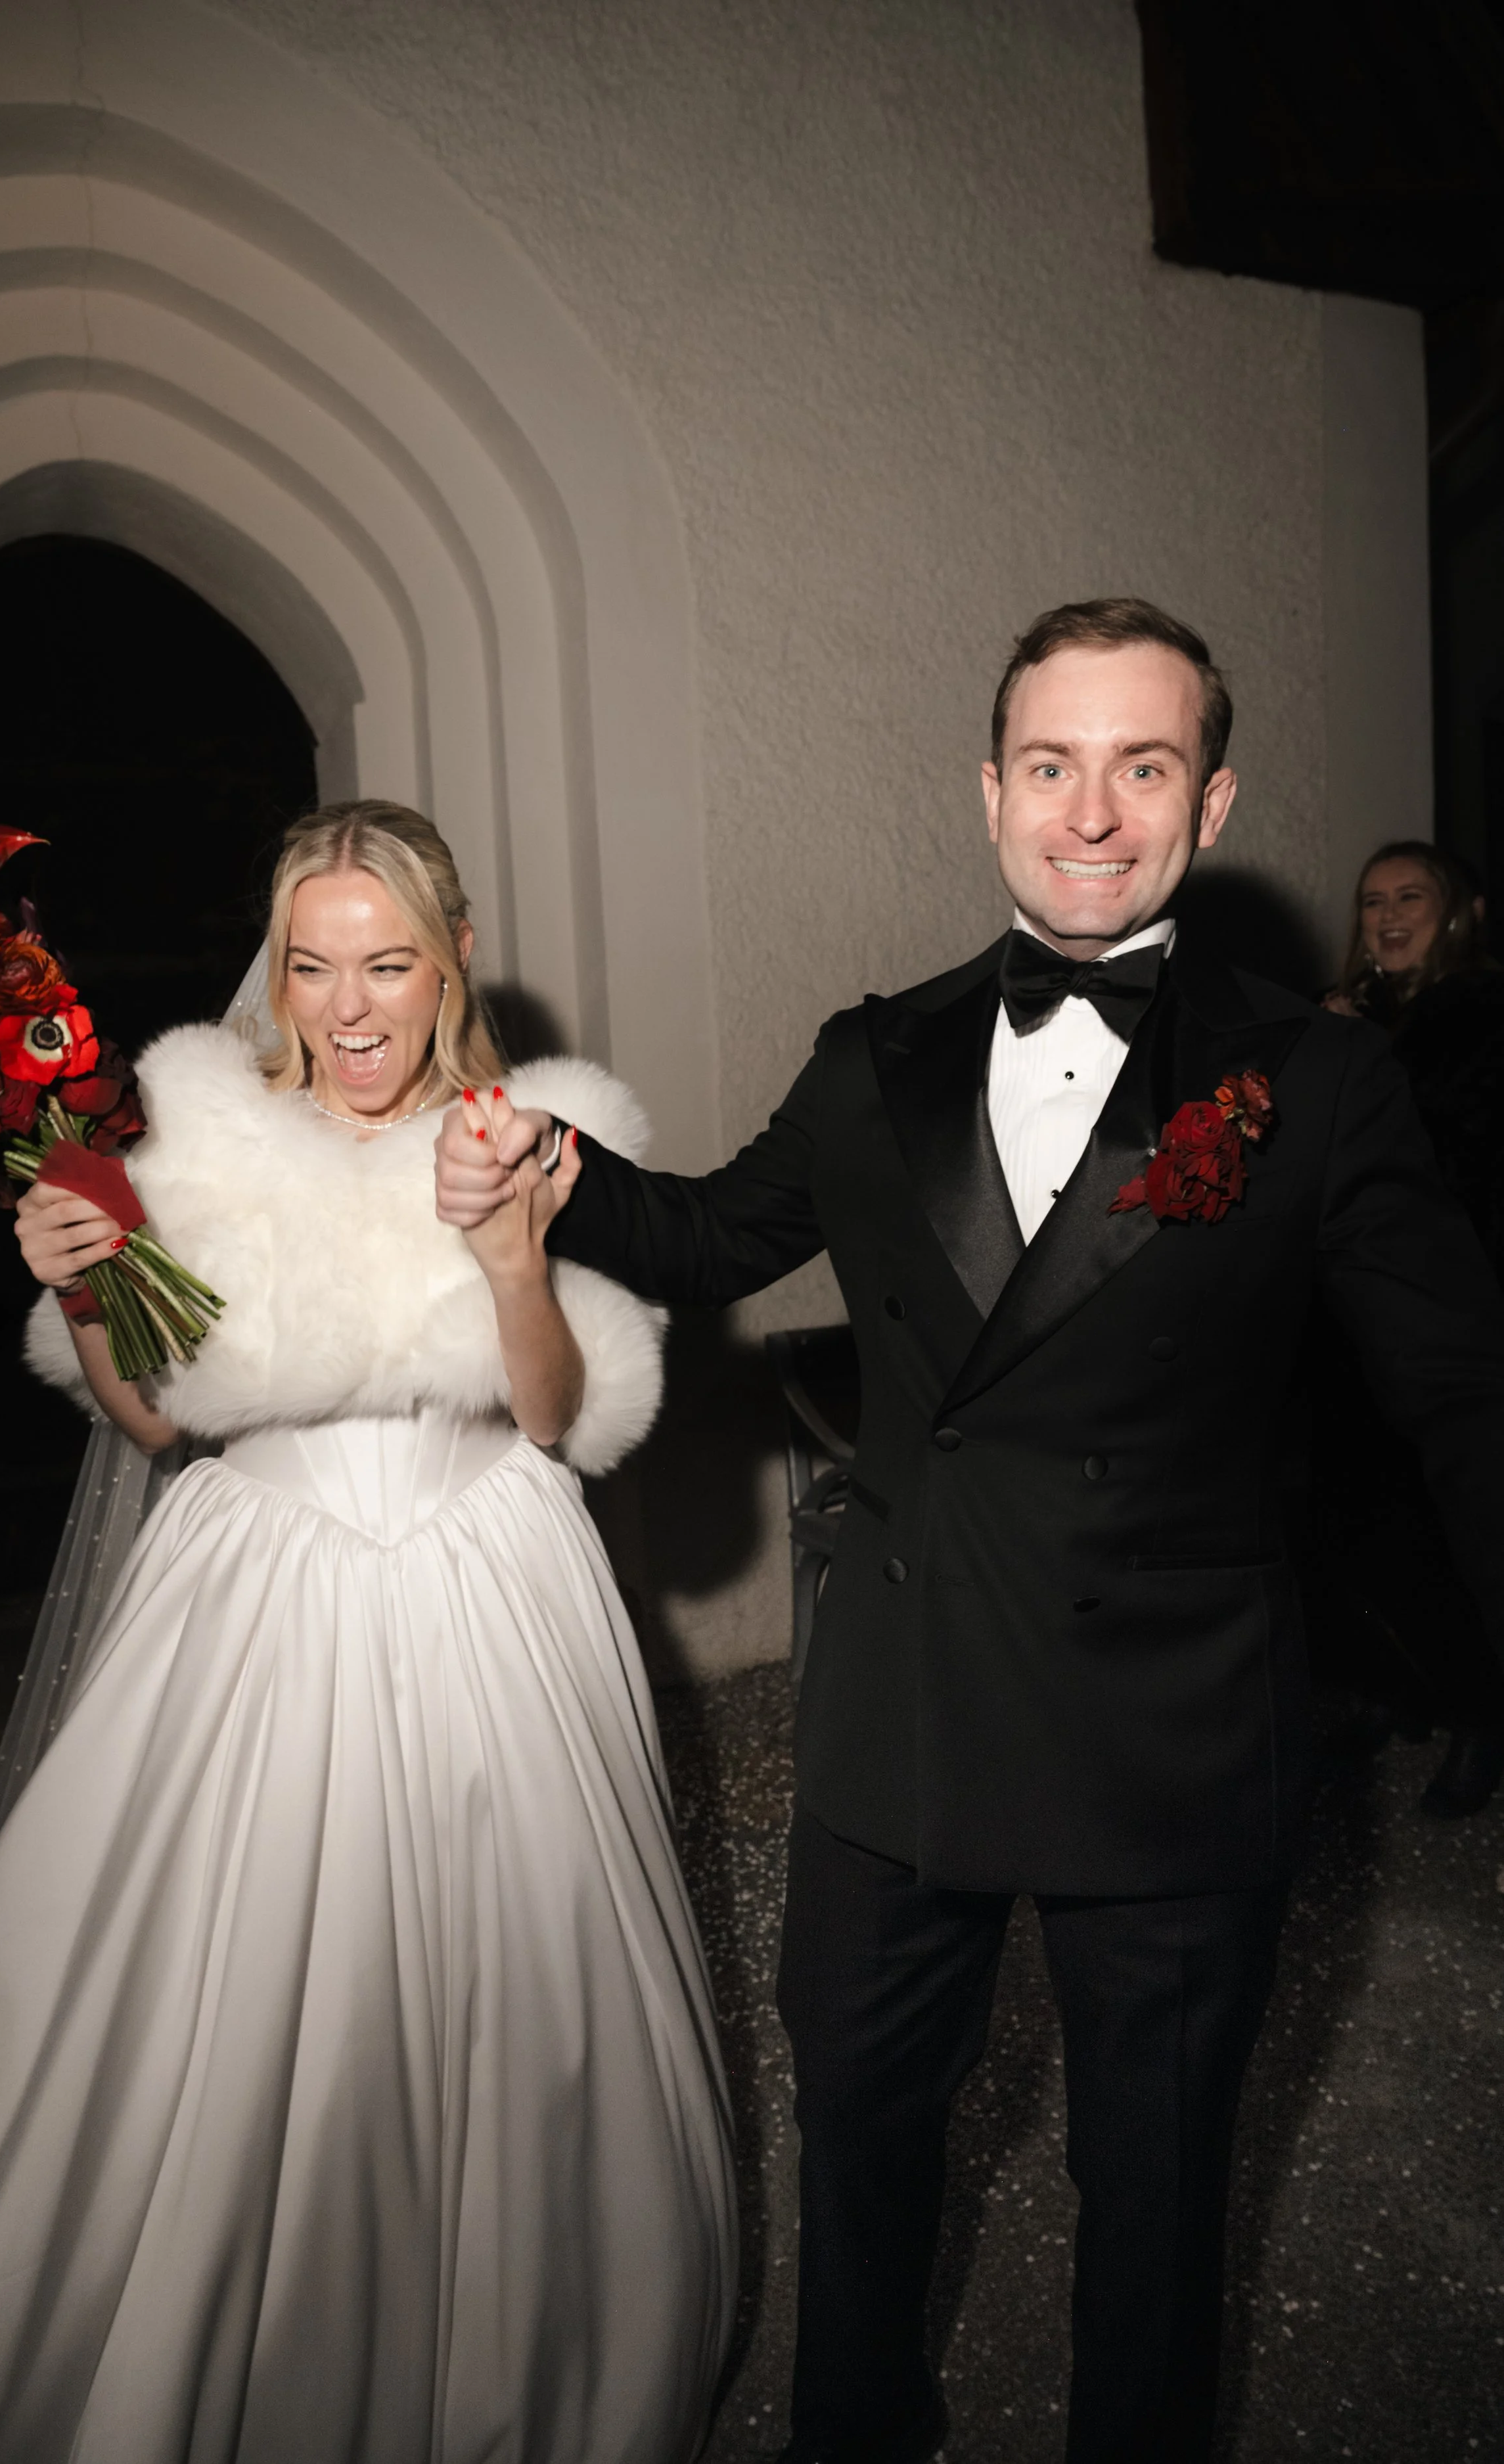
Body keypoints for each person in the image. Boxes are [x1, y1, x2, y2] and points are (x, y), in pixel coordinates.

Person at [436, 601, 1504, 2464]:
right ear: (987, 790)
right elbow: (702, 1240)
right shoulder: (875, 1054)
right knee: (857, 2137)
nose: (1090, 809)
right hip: (901, 1711)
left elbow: (1457, 1391)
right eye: (1050, 763)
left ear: (1209, 796)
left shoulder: (1317, 1078)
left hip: (1172, 1731)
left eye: (1142, 765)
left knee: (1155, 2192)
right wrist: (544, 1169)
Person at [0, 803, 737, 2464]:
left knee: (511, 1982)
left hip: (491, 1569)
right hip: (253, 1584)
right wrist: (81, 1284)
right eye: (312, 964)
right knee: (224, 1993)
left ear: (452, 959)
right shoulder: (187, 1129)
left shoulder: (548, 1127)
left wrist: (511, 1265)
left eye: (386, 963)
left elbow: (564, 1422)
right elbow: (149, 1423)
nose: (345, 1008)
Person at [1313, 840, 1504, 1815]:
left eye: (1411, 897)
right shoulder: (1356, 1017)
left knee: (1480, 1532)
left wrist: (1353, 1055)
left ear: (1458, 912)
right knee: (1382, 1524)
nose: (1388, 916)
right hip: (1358, 1323)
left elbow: (1433, 1144)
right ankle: (1404, 1689)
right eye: (1372, 899)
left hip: (1458, 1324)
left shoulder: (1474, 1014)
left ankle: (1486, 1719)